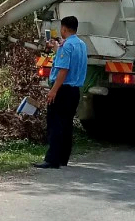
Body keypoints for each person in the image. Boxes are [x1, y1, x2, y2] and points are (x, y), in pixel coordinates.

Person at [35, 16, 87, 169]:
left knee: (55, 124)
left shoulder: (67, 46)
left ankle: (52, 159)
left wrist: (53, 91)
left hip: (62, 90)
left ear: (64, 29)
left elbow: (63, 70)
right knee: (66, 124)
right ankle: (63, 158)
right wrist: (56, 48)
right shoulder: (81, 45)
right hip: (74, 91)